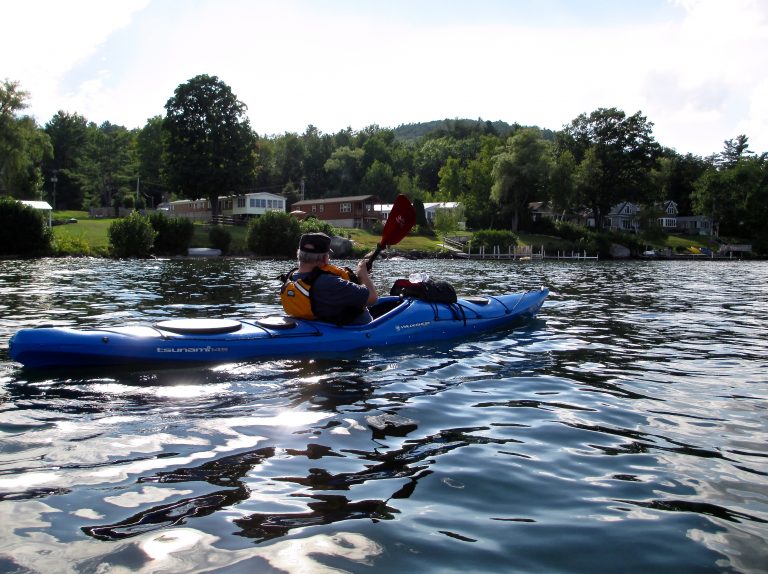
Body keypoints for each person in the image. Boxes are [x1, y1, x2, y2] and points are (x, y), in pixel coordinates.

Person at [280, 232, 378, 324]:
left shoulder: (291, 277)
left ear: (299, 255)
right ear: (324, 259)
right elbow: (372, 298)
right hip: (356, 332)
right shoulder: (328, 282)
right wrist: (364, 275)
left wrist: (359, 278)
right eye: (328, 255)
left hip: (315, 327)